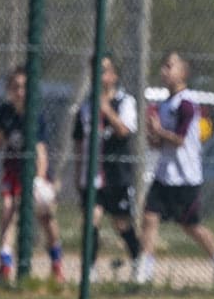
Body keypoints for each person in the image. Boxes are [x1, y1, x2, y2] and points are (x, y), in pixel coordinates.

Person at [135, 51, 214, 284]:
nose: (164, 71)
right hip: (164, 174)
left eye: (170, 66)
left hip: (185, 177)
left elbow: (179, 139)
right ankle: (144, 269)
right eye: (163, 66)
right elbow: (162, 143)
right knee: (149, 217)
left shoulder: (187, 104)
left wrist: (159, 132)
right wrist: (153, 137)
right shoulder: (165, 103)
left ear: (183, 73)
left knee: (191, 226)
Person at [0, 66, 64, 283]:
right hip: (12, 171)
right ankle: (6, 265)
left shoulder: (34, 115)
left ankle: (57, 265)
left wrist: (38, 180)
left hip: (34, 173)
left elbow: (41, 153)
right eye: (15, 87)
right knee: (7, 211)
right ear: (9, 89)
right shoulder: (5, 112)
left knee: (45, 219)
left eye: (24, 87)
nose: (20, 92)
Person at [72, 54, 141, 280]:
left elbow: (124, 131)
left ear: (114, 75)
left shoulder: (125, 102)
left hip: (117, 175)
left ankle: (138, 260)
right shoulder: (86, 106)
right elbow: (80, 141)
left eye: (104, 70)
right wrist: (77, 173)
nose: (100, 76)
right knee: (92, 219)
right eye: (96, 71)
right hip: (92, 175)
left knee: (121, 223)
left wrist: (106, 109)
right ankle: (89, 269)